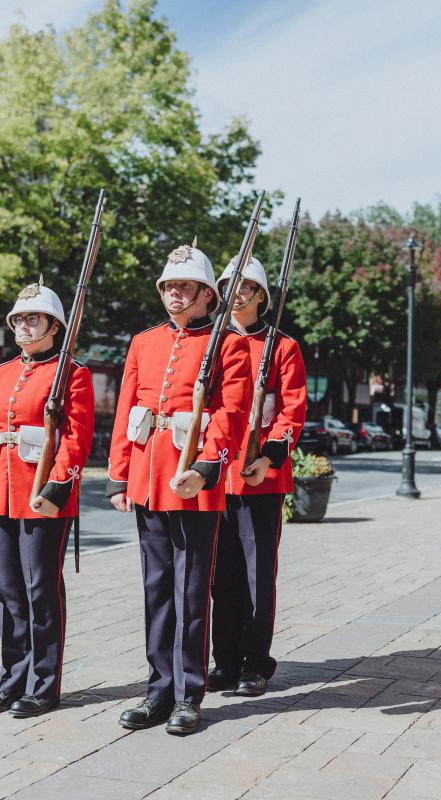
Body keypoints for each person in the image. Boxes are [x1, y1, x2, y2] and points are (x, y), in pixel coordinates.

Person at [107, 243, 252, 735]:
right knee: (156, 591)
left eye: (185, 287)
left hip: (192, 479)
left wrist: (209, 466)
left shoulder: (228, 344)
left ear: (207, 294)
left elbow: (231, 415)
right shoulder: (144, 342)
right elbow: (129, 409)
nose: (175, 294)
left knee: (191, 592)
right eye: (169, 287)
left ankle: (189, 694)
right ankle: (158, 689)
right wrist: (120, 475)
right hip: (149, 476)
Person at [209, 256, 306, 697]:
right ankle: (224, 661)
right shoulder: (210, 343)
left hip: (260, 476)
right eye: (230, 285)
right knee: (218, 575)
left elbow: (291, 413)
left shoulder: (282, 347)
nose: (237, 293)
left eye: (246, 286)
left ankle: (254, 662)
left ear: (262, 295)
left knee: (254, 574)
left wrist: (268, 458)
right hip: (213, 473)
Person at [0, 280, 95, 718]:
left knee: (40, 590)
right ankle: (12, 676)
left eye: (32, 318)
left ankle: (44, 683)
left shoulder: (73, 374)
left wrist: (56, 489)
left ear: (54, 326)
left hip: (42, 495)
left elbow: (75, 441)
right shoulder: (3, 372)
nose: (23, 325)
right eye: (18, 318)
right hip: (3, 490)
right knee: (9, 591)